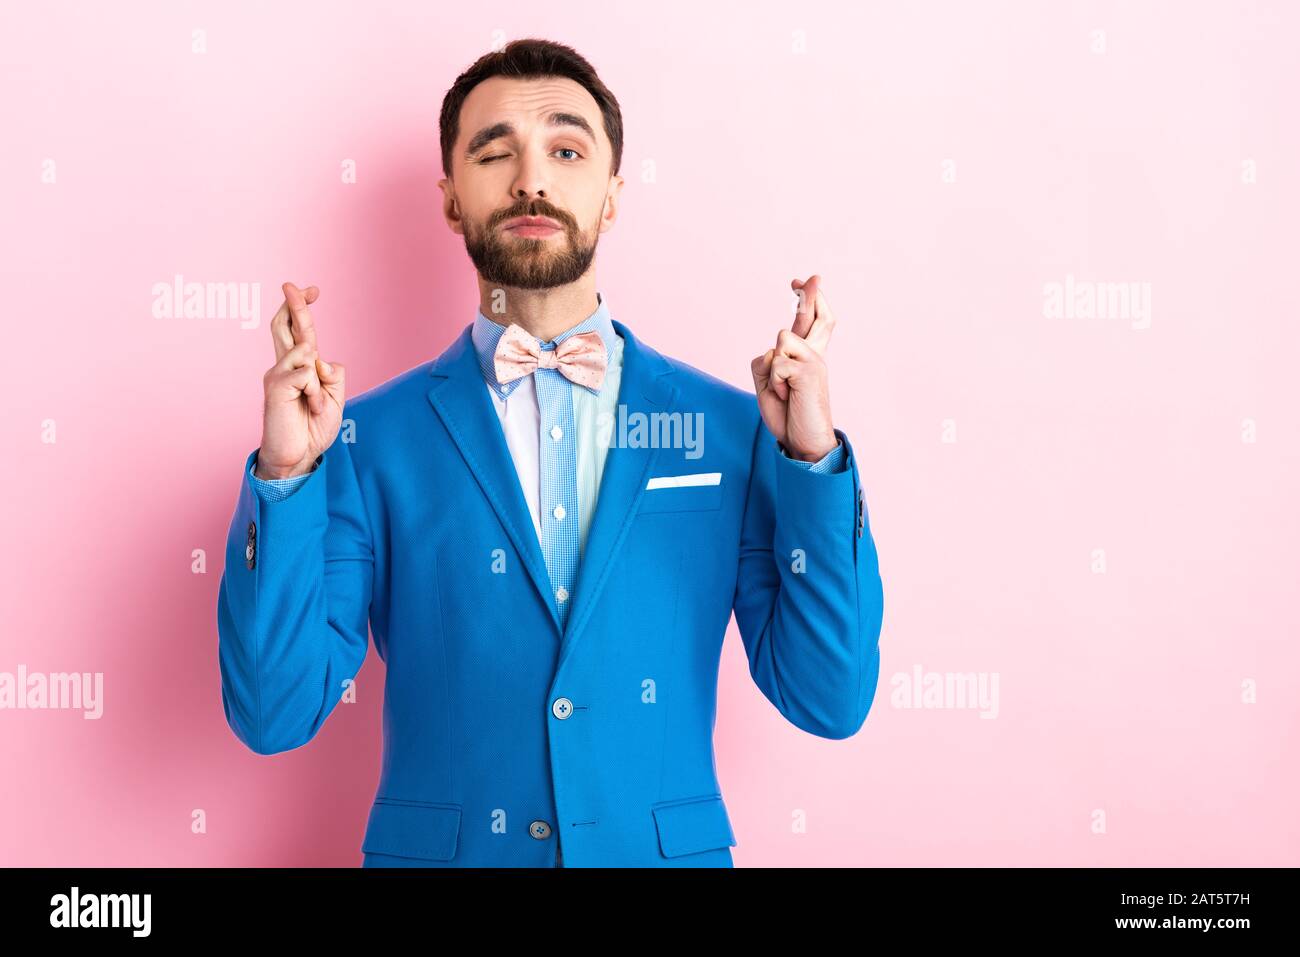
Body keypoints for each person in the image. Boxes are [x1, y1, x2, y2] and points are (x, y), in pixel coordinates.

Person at [216, 37, 884, 868]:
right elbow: (273, 710)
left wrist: (813, 462)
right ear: (452, 201)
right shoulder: (361, 439)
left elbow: (830, 696)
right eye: (494, 153)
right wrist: (286, 478)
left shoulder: (731, 426)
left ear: (611, 196)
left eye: (567, 151)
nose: (532, 178)